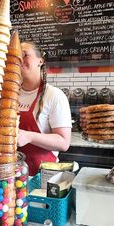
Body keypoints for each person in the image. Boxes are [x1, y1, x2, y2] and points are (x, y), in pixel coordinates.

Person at [17, 41, 72, 176]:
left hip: (43, 176)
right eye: (16, 56)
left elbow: (64, 142)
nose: (19, 59)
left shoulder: (54, 95)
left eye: (25, 55)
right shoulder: (10, 95)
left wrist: (28, 136)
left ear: (40, 61)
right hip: (13, 175)